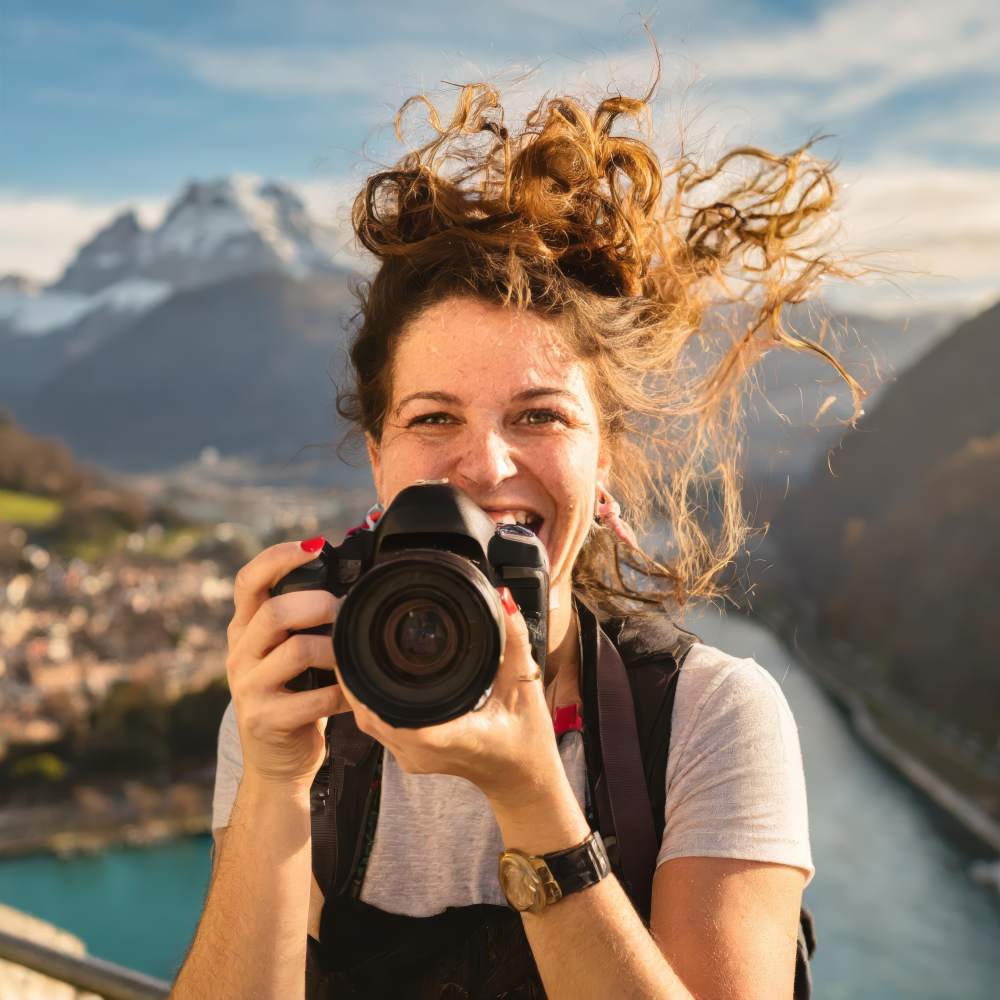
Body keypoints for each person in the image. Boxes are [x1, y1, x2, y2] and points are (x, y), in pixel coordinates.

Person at [172, 44, 862, 1000]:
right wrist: (278, 783)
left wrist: (534, 798)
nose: (488, 466)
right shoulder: (301, 708)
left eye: (539, 416)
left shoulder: (704, 719)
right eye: (434, 418)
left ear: (604, 455)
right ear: (378, 455)